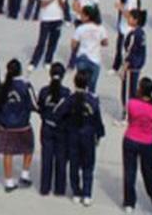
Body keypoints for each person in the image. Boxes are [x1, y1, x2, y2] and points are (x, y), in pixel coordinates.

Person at [62, 70, 105, 206]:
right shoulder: (93, 100)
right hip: (88, 136)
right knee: (88, 166)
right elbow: (97, 119)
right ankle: (87, 194)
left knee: (74, 164)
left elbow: (60, 114)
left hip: (73, 136)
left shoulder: (70, 100)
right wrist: (99, 134)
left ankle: (76, 192)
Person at [0, 58, 37, 193]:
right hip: (23, 124)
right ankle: (24, 174)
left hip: (7, 125)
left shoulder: (3, 86)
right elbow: (34, 105)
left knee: (8, 153)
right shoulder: (26, 86)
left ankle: (8, 181)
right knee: (28, 148)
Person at [122, 77, 152, 213]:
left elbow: (130, 119)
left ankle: (129, 203)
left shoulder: (132, 103)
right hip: (147, 142)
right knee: (149, 173)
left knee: (129, 172)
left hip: (130, 139)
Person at [37, 63, 70, 197]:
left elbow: (40, 108)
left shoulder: (44, 91)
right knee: (61, 158)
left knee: (47, 157)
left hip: (46, 127)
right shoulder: (66, 93)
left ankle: (45, 187)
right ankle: (59, 189)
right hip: (61, 129)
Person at [29, 0, 66, 72]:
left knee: (53, 42)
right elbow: (42, 4)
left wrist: (61, 2)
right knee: (41, 42)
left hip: (57, 18)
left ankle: (48, 61)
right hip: (46, 19)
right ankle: (34, 62)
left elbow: (64, 6)